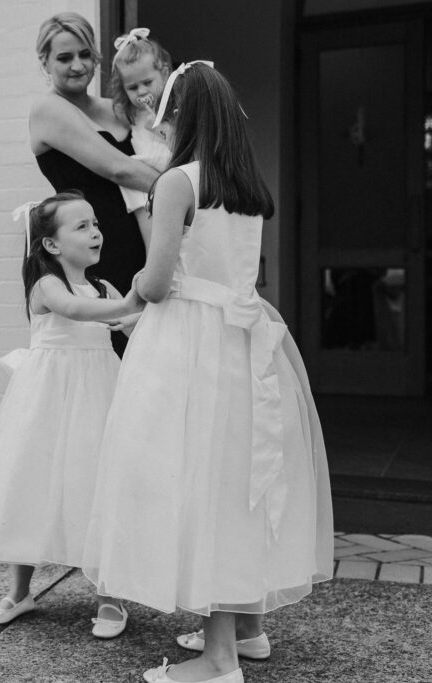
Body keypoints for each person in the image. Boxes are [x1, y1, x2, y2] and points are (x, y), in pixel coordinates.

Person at [81, 63, 334, 683]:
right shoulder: (246, 187)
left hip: (190, 343)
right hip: (243, 341)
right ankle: (247, 630)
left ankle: (217, 662)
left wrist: (130, 292)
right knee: (237, 476)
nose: (159, 127)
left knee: (195, 477)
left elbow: (161, 280)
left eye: (164, 116)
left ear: (180, 118)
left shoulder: (176, 183)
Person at [0, 191, 143, 639]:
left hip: (99, 394)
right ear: (52, 245)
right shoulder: (46, 285)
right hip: (48, 398)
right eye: (81, 226)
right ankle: (20, 591)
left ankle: (109, 595)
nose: (96, 231)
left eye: (95, 222)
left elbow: (129, 321)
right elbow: (73, 310)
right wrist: (128, 304)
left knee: (99, 484)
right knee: (31, 483)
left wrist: (135, 317)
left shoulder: (105, 289)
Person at [30, 12, 161, 356]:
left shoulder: (117, 109)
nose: (77, 65)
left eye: (85, 54)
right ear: (44, 61)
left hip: (143, 240)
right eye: (64, 57)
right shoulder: (47, 109)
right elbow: (119, 169)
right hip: (92, 247)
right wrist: (185, 191)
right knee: (112, 351)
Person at [108, 28, 174, 249]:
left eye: (147, 82)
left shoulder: (173, 104)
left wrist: (156, 120)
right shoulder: (131, 112)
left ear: (164, 74)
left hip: (170, 163)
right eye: (132, 87)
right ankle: (151, 252)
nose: (141, 91)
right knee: (136, 194)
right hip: (146, 177)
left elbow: (178, 137)